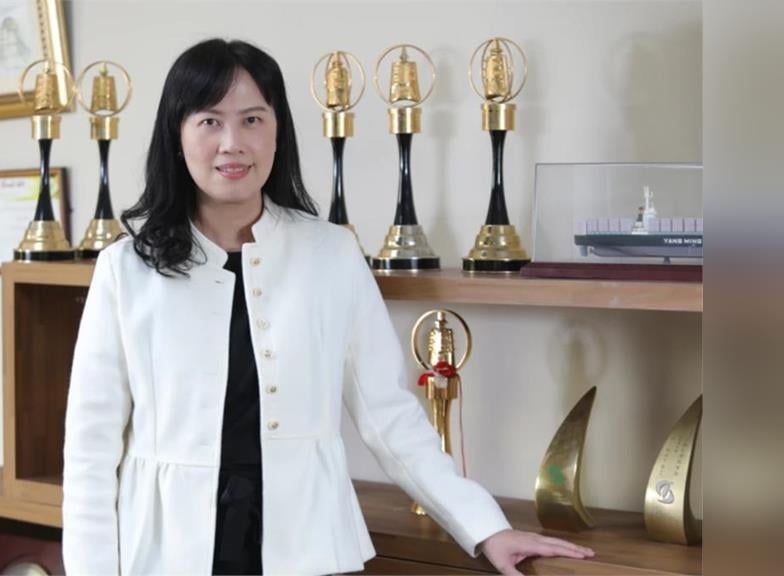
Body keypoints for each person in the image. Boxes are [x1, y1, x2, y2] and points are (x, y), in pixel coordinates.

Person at [62, 38, 595, 576]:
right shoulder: (126, 269)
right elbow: (90, 451)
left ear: (278, 132)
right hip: (166, 551)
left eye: (252, 120)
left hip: (304, 544)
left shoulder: (331, 254)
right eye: (209, 122)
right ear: (177, 137)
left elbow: (389, 415)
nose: (232, 143)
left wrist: (484, 526)